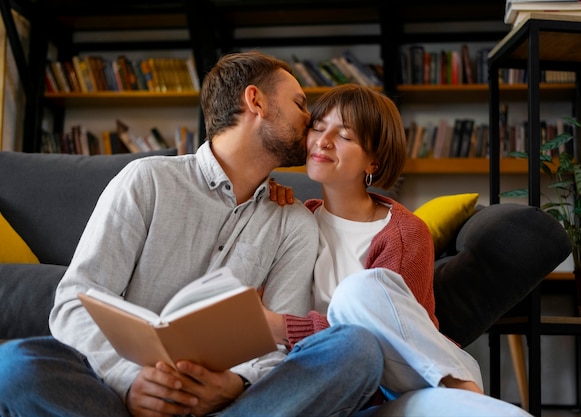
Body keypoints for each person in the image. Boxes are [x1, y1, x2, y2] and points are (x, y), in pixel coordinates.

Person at [0, 52, 384, 417]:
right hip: (120, 400)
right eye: (299, 103)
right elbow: (73, 303)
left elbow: (282, 343)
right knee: (13, 365)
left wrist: (237, 383)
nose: (309, 121)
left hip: (233, 406)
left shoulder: (293, 222)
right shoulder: (148, 180)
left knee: (356, 348)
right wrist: (130, 381)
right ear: (256, 101)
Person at [265, 83, 532, 416]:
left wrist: (281, 326)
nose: (323, 140)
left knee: (359, 293)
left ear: (373, 162)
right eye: (317, 128)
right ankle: (469, 396)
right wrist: (262, 198)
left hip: (403, 382)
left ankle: (463, 385)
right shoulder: (293, 219)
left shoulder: (403, 234)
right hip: (330, 384)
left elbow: (381, 337)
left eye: (345, 136)